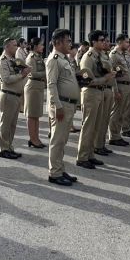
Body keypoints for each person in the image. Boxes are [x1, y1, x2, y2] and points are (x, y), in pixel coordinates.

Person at [76, 30, 116, 169]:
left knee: (96, 126)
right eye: (101, 40)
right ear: (93, 42)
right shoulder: (88, 57)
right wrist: (105, 78)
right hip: (91, 93)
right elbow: (86, 81)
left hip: (99, 92)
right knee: (88, 126)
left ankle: (90, 154)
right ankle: (82, 157)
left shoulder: (99, 55)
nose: (104, 42)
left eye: (104, 40)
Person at [46, 29, 81, 186]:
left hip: (68, 105)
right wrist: (58, 106)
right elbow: (51, 85)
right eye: (67, 40)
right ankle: (54, 173)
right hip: (61, 105)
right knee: (57, 140)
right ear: (58, 42)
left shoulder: (64, 59)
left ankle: (60, 169)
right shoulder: (54, 59)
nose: (70, 44)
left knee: (63, 140)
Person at [0, 38, 31, 159]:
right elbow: (6, 79)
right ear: (7, 47)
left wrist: (25, 72)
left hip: (16, 95)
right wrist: (22, 74)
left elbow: (18, 77)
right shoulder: (2, 61)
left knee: (12, 125)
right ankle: (3, 149)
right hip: (8, 95)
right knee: (5, 124)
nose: (17, 47)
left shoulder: (14, 60)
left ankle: (9, 147)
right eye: (14, 45)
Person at [108, 34, 130, 147]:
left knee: (121, 112)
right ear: (119, 42)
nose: (128, 44)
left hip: (126, 86)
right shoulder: (114, 55)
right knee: (116, 112)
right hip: (120, 86)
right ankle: (113, 136)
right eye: (126, 42)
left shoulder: (124, 54)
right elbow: (112, 74)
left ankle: (118, 135)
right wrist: (115, 90)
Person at [24, 37, 47, 149]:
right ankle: (32, 139)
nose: (43, 46)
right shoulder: (31, 57)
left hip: (38, 87)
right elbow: (32, 73)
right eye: (41, 44)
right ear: (35, 46)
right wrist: (46, 72)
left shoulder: (39, 57)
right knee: (32, 115)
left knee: (36, 115)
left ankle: (36, 138)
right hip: (33, 87)